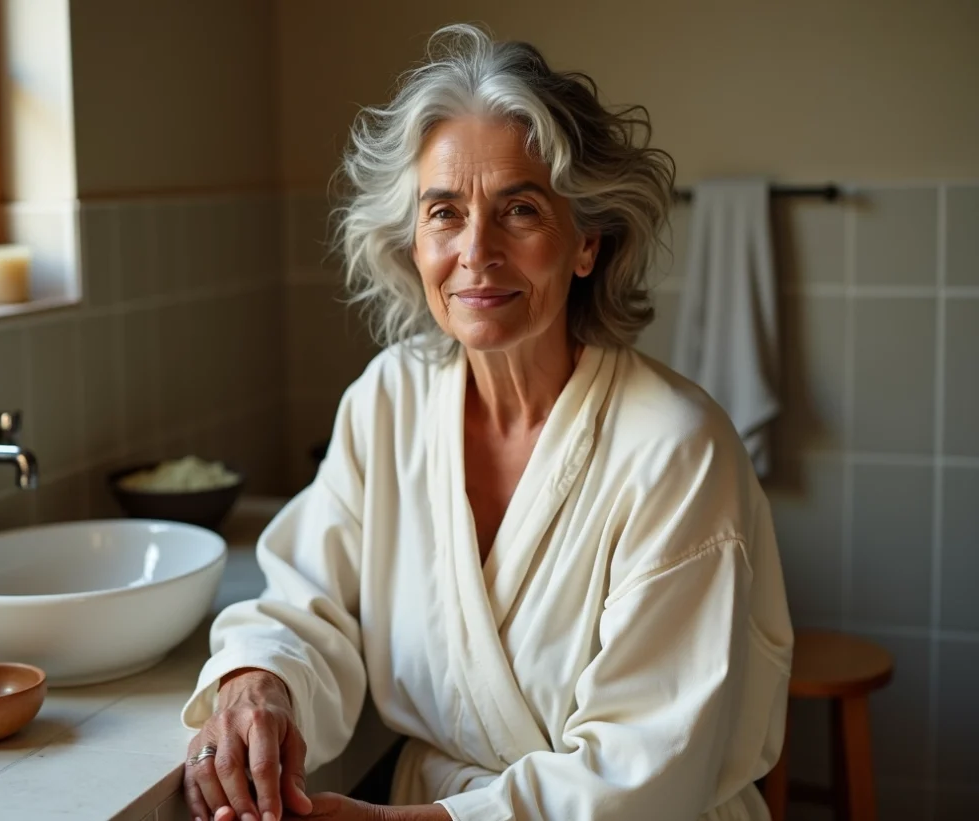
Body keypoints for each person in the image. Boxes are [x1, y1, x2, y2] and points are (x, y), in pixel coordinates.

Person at [182, 23, 792, 821]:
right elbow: (309, 600)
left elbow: (646, 772)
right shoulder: (390, 401)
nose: (476, 250)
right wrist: (258, 682)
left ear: (588, 243)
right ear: (414, 239)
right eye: (445, 211)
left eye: (520, 210)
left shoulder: (675, 448)